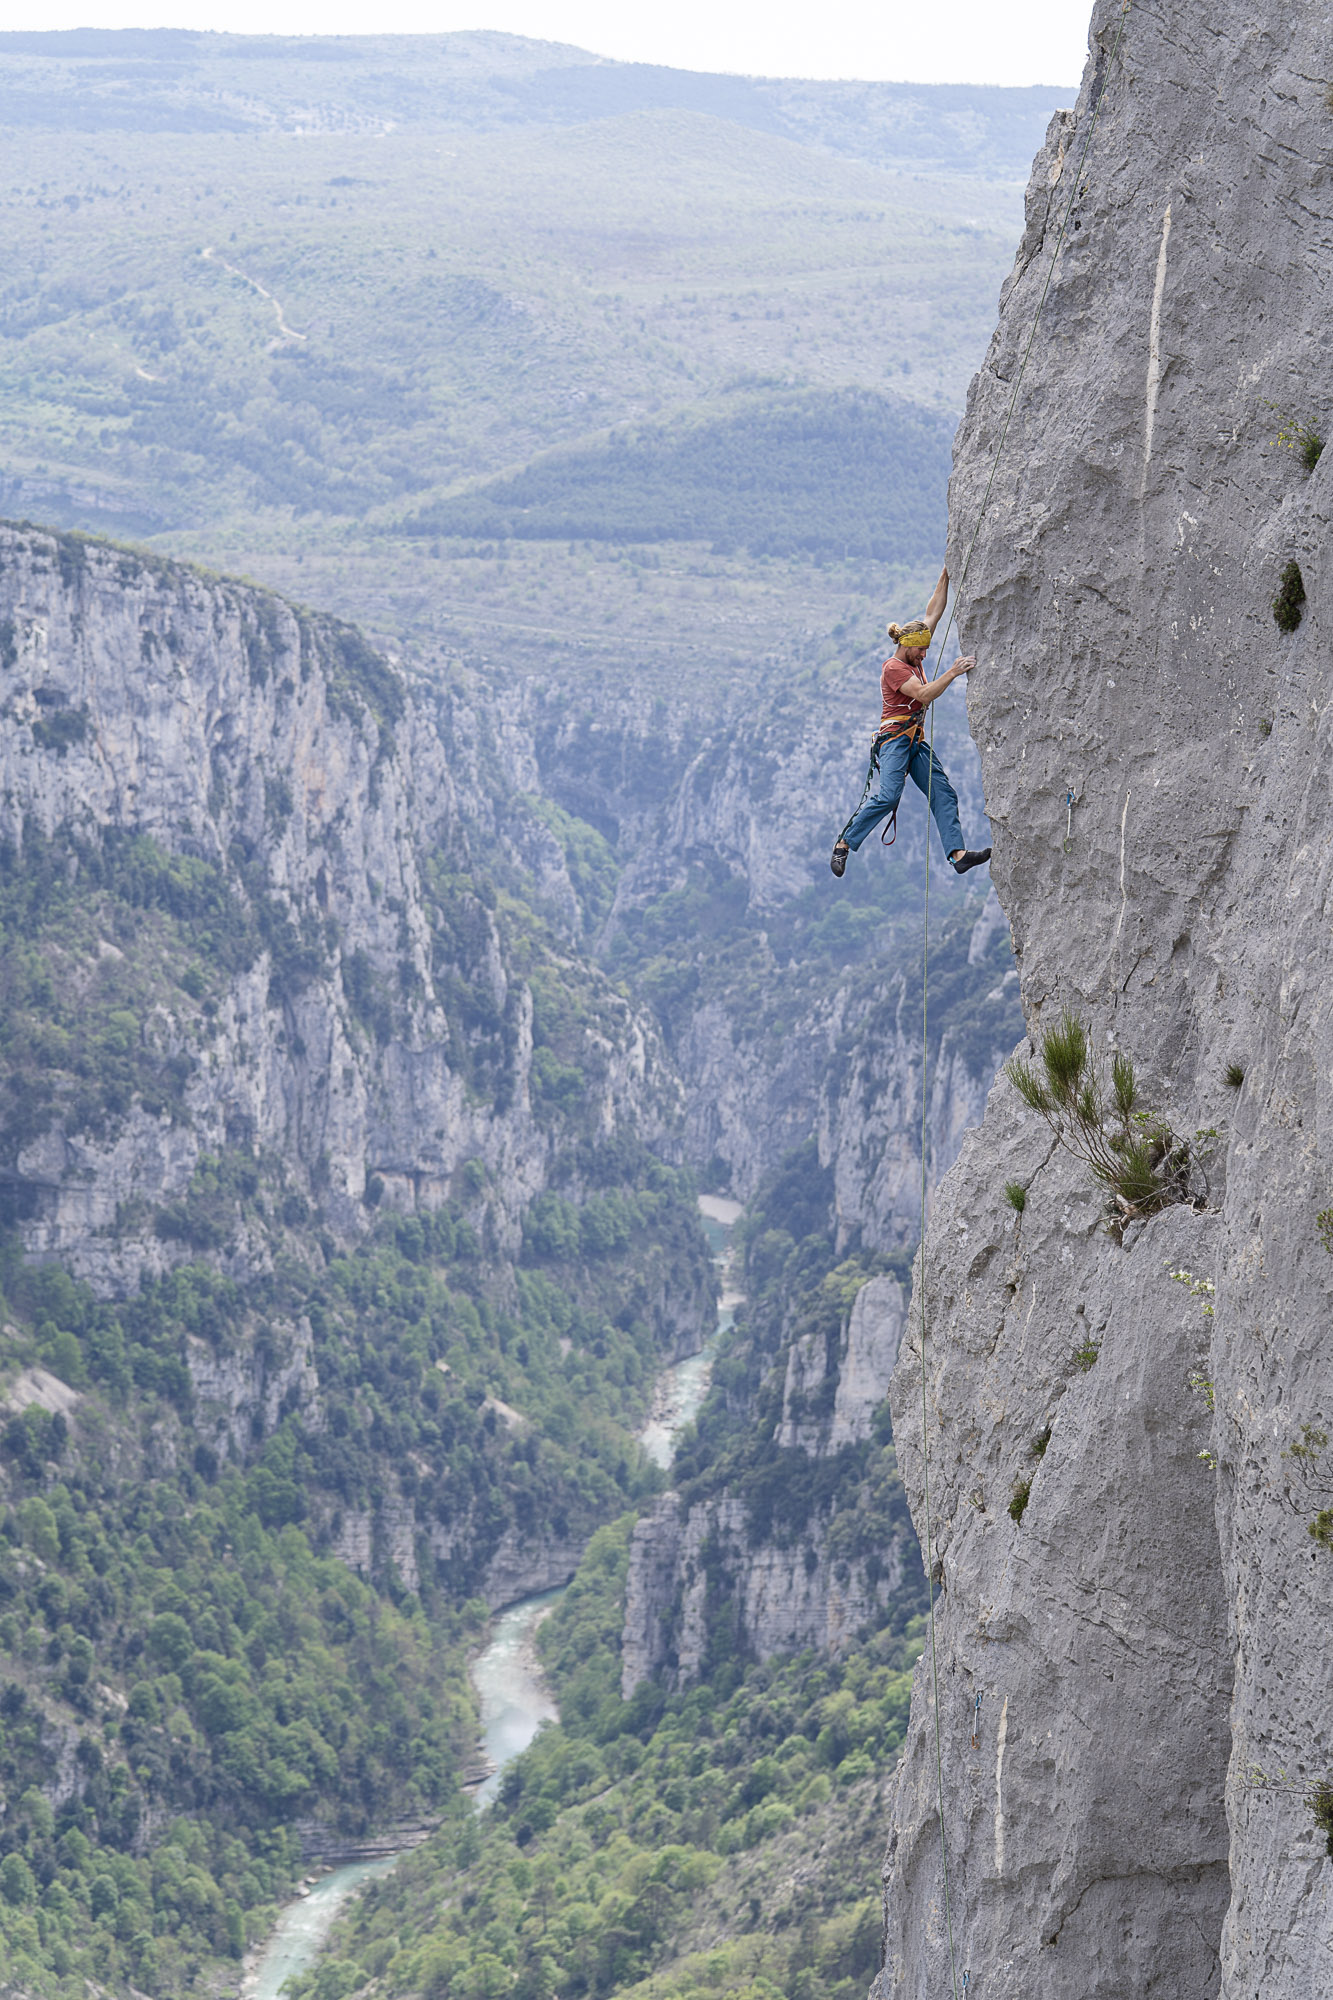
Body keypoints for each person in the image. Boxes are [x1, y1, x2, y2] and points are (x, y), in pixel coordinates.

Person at [829, 564, 992, 878]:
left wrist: (946, 573)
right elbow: (924, 694)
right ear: (906, 646)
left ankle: (957, 855)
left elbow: (934, 610)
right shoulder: (893, 668)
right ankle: (844, 844)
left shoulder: (913, 648)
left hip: (913, 740)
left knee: (943, 792)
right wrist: (954, 671)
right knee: (888, 795)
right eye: (921, 650)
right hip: (894, 741)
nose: (925, 655)